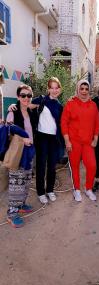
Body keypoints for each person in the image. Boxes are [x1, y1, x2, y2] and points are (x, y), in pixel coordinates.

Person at [8, 77, 64, 205]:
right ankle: (40, 192)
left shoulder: (60, 106)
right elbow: (25, 105)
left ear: (60, 89)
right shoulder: (42, 100)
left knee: (52, 166)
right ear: (48, 88)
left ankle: (50, 190)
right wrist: (13, 106)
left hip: (54, 139)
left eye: (57, 88)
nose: (54, 90)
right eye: (52, 87)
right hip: (42, 137)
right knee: (41, 166)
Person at [61, 79, 99, 202]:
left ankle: (88, 189)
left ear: (89, 90)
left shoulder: (93, 105)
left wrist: (96, 138)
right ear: (78, 89)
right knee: (75, 166)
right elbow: (64, 123)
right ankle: (76, 190)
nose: (84, 91)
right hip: (74, 142)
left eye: (86, 88)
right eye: (81, 88)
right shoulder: (70, 104)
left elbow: (97, 123)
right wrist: (67, 141)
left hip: (88, 143)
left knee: (92, 166)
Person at [6, 84, 36, 227]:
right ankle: (12, 213)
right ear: (18, 96)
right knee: (16, 184)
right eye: (23, 95)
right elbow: (8, 128)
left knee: (26, 180)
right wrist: (22, 137)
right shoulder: (13, 110)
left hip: (29, 152)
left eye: (29, 95)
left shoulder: (30, 111)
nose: (26, 98)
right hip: (18, 152)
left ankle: (21, 205)